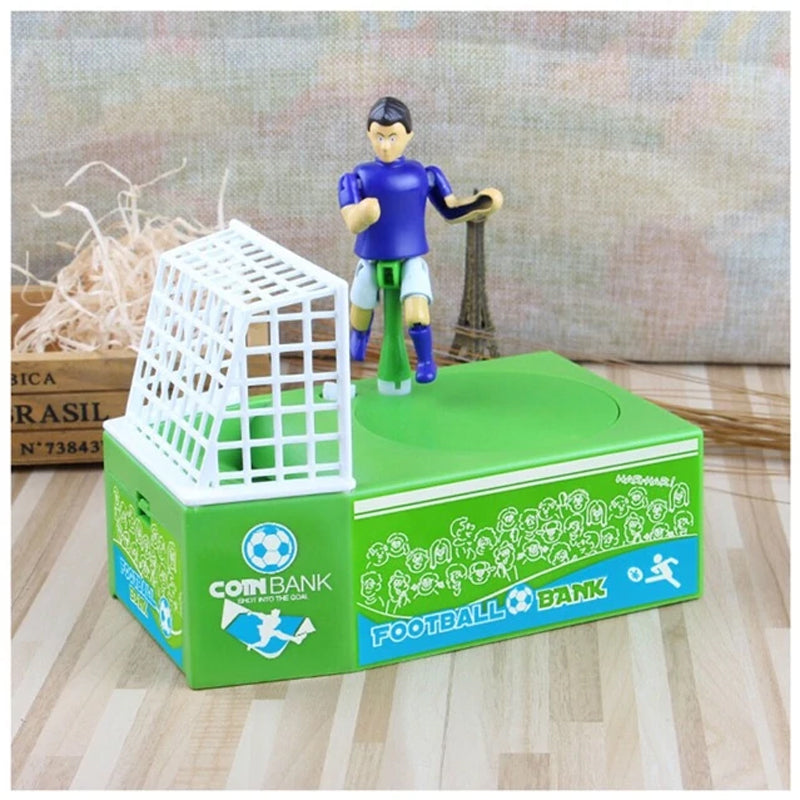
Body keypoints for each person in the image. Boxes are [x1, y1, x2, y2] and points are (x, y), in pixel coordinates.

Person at [338, 96, 502, 384]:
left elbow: (450, 209)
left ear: (408, 135)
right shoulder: (356, 178)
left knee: (417, 309)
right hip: (371, 255)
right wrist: (364, 212)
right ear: (369, 134)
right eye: (379, 137)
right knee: (361, 299)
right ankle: (359, 338)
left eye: (392, 137)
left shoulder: (424, 175)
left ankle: (426, 360)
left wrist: (478, 204)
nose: (385, 145)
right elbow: (351, 219)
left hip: (410, 255)